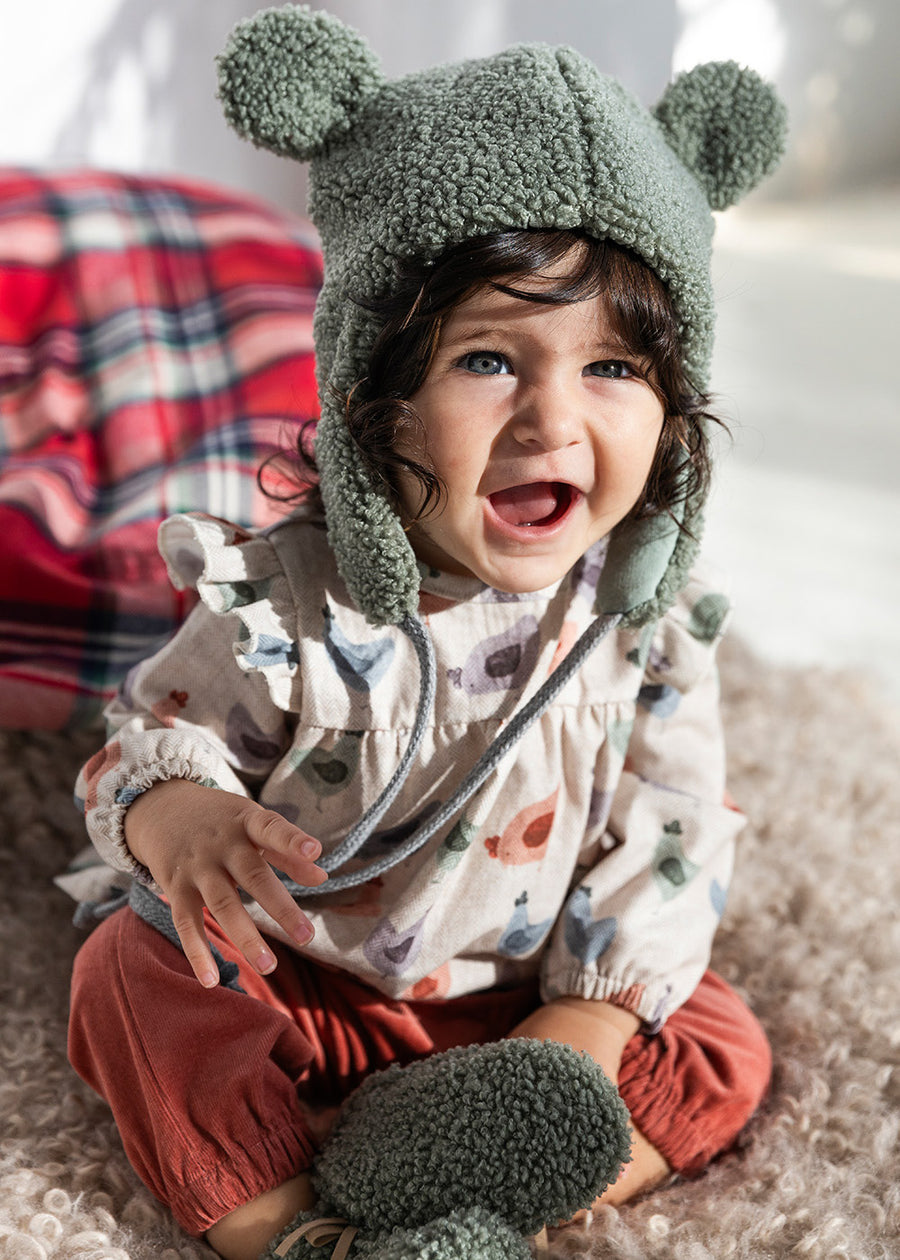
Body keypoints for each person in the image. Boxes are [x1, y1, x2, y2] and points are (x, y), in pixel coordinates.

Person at [67, 8, 787, 1260]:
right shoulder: (292, 607)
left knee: (723, 1039)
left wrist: (588, 1030)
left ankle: (501, 1166)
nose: (554, 421)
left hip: (524, 1011)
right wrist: (180, 817)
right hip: (313, 988)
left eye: (615, 370)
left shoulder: (642, 631)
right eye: (491, 362)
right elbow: (144, 737)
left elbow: (667, 836)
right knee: (128, 981)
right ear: (375, 400)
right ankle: (304, 1229)